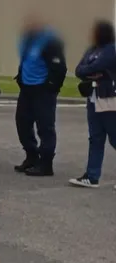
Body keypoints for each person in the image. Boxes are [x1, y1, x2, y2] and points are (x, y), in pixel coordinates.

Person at [13, 18, 67, 177]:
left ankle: (46, 164)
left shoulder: (51, 41)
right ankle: (31, 156)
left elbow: (59, 68)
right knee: (22, 123)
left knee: (45, 127)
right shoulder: (28, 39)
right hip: (27, 88)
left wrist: (51, 87)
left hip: (43, 89)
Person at [69, 20, 116, 188]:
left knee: (114, 136)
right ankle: (92, 176)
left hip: (109, 98)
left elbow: (99, 65)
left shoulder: (111, 50)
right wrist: (93, 73)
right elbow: (79, 69)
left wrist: (92, 70)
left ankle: (92, 174)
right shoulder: (91, 49)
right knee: (95, 138)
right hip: (93, 97)